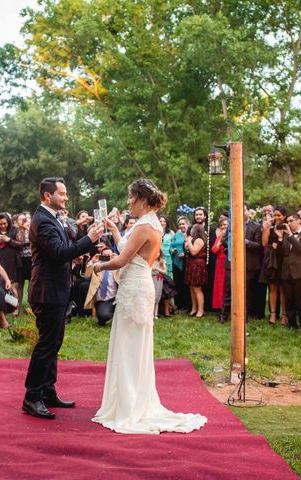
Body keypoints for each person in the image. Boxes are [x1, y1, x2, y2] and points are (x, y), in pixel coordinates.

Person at [91, 178, 206, 434]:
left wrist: (98, 266)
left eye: (131, 197)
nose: (128, 202)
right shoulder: (148, 223)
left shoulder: (145, 226)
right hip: (136, 283)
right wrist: (116, 228)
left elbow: (121, 260)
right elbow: (128, 249)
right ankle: (126, 402)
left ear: (142, 198)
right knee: (129, 344)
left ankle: (131, 407)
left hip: (135, 288)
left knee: (131, 346)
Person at [22, 177, 104, 420]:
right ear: (48, 196)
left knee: (54, 342)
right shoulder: (43, 219)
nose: (66, 197)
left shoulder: (52, 217)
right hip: (47, 291)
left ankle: (47, 391)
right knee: (47, 344)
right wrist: (89, 239)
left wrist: (76, 257)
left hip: (57, 288)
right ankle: (32, 396)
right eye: (62, 193)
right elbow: (58, 253)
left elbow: (60, 252)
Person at [279, 214, 301, 329]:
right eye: (287, 221)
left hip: (300, 272)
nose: (289, 223)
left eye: (291, 221)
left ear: (298, 221)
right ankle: (292, 323)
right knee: (289, 299)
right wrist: (279, 238)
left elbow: (300, 248)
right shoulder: (286, 236)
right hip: (287, 271)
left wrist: (291, 235)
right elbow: (283, 252)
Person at [260, 206, 288, 325]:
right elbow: (264, 243)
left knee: (282, 288)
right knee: (272, 287)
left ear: (284, 216)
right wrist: (266, 228)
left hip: (283, 259)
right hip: (272, 260)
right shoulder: (270, 226)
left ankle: (284, 315)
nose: (277, 217)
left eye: (279, 215)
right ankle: (272, 313)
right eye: (275, 215)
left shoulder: (287, 227)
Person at [84, 247, 119, 326]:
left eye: (109, 255)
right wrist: (92, 261)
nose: (107, 257)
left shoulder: (117, 267)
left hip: (115, 298)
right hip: (102, 300)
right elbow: (86, 275)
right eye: (105, 256)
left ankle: (113, 313)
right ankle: (102, 315)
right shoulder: (96, 266)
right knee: (104, 316)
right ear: (101, 256)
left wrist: (118, 259)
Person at [184, 224, 208, 317]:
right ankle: (194, 308)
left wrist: (189, 241)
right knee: (192, 288)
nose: (191, 231)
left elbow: (194, 252)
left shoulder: (199, 240)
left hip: (197, 265)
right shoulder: (194, 239)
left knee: (197, 289)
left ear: (196, 230)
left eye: (192, 229)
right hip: (191, 264)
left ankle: (201, 310)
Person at [171, 216, 190, 312]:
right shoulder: (176, 235)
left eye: (183, 224)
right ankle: (179, 304)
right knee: (177, 283)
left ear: (187, 224)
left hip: (186, 261)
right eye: (180, 224)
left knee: (185, 283)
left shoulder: (190, 234)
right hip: (176, 261)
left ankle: (187, 304)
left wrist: (185, 254)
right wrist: (172, 250)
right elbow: (171, 245)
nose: (182, 226)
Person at [211, 218, 228, 311]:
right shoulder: (219, 237)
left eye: (225, 224)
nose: (223, 227)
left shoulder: (231, 236)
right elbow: (214, 250)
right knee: (220, 285)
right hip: (220, 263)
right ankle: (220, 306)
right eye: (221, 225)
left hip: (228, 261)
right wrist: (219, 242)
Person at [151, 249, 167, 318]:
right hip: (151, 278)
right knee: (151, 296)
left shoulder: (161, 261)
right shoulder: (150, 261)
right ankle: (151, 314)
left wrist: (157, 269)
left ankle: (155, 314)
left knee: (157, 296)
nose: (156, 254)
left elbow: (164, 271)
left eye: (157, 253)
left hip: (158, 280)